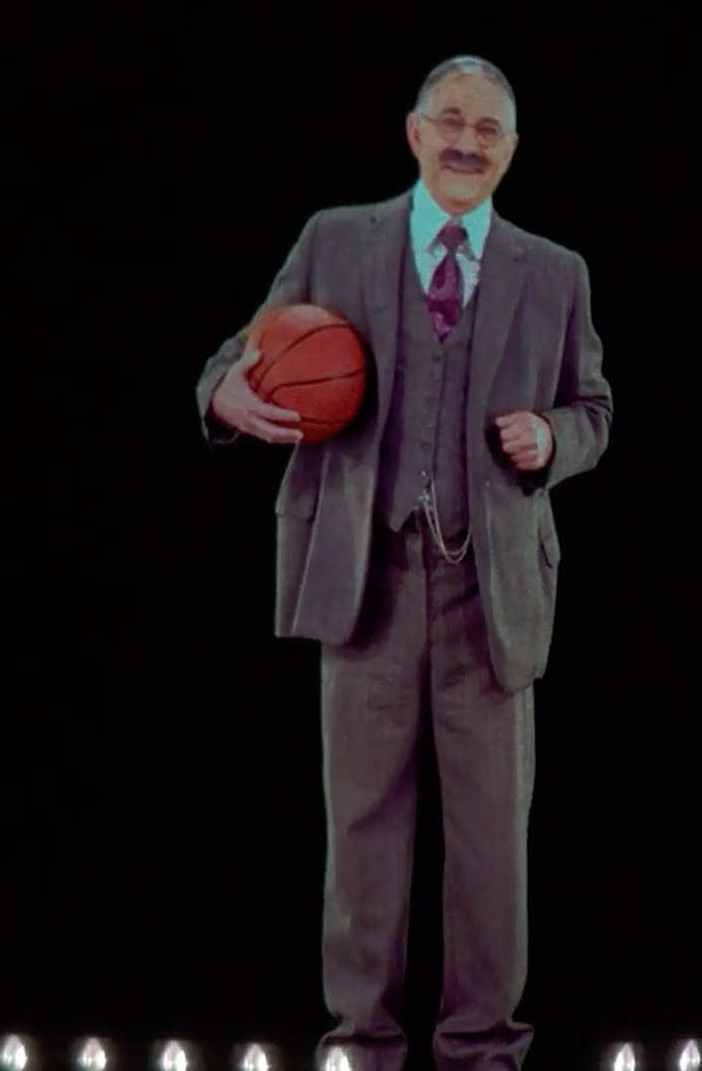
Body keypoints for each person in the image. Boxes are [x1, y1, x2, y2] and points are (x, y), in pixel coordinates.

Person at [195, 55, 614, 1071]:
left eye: (491, 130)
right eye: (452, 122)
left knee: (488, 846)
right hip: (365, 576)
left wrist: (555, 440)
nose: (469, 141)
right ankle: (362, 1048)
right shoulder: (336, 240)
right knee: (365, 835)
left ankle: (483, 1050)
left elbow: (594, 411)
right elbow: (234, 357)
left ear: (510, 152)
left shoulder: (554, 272)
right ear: (415, 133)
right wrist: (222, 397)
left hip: (491, 584)